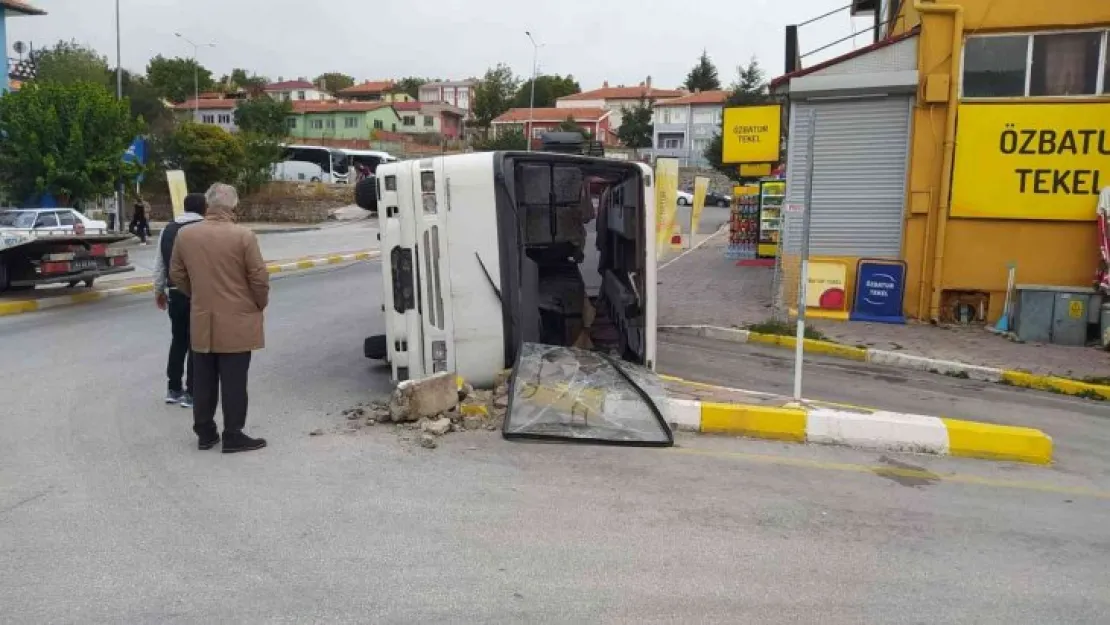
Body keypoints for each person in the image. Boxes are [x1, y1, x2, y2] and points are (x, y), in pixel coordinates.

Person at [170, 183, 270, 453]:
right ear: (233, 205)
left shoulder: (186, 236)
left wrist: (198, 294)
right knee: (234, 381)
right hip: (237, 319)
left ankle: (205, 432)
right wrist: (258, 303)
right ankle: (233, 434)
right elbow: (258, 277)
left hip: (202, 318)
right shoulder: (243, 236)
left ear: (208, 204)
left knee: (203, 379)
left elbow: (177, 274)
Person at [153, 193, 207, 408]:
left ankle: (173, 388)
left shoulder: (168, 229)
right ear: (204, 208)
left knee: (178, 340)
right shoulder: (204, 229)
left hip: (175, 293)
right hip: (198, 294)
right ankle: (192, 392)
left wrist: (158, 290)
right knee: (197, 343)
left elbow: (159, 264)